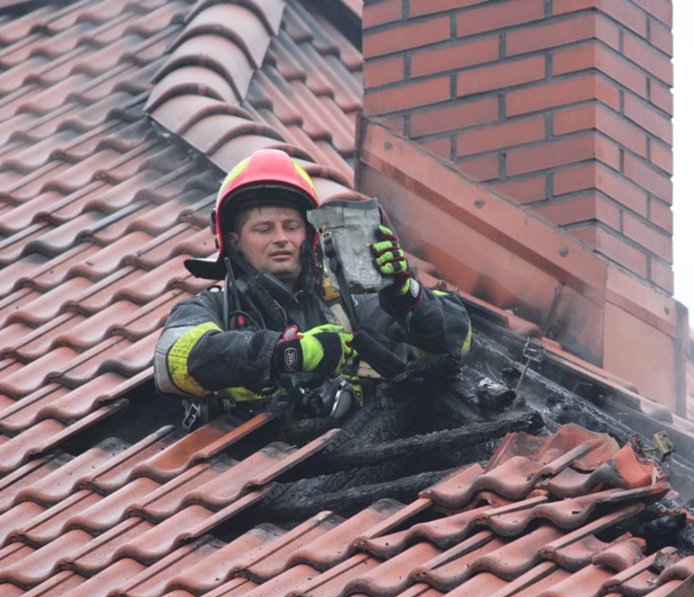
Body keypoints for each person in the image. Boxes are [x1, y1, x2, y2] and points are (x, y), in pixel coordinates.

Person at [153, 148, 471, 428]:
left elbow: (457, 343)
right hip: (251, 468)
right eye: (263, 229)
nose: (281, 238)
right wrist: (288, 353)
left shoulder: (349, 304)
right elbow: (172, 359)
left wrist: (408, 297)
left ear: (310, 236)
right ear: (234, 242)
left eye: (291, 226)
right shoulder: (210, 309)